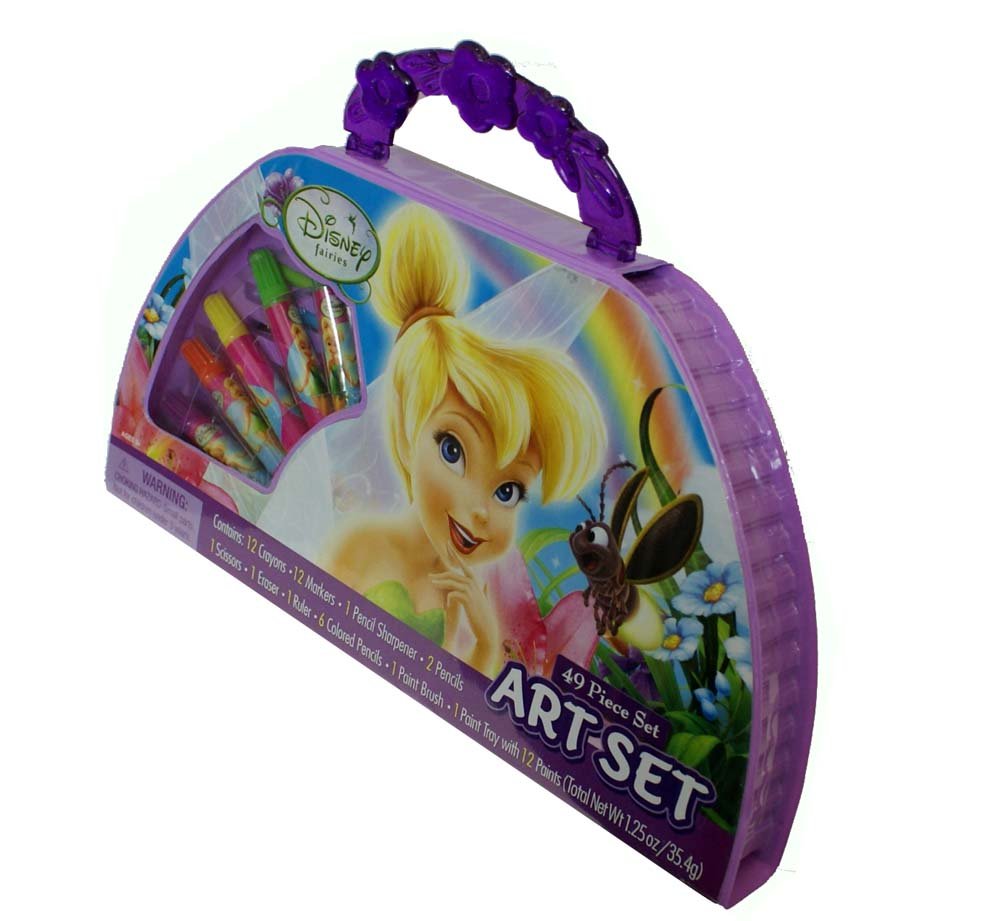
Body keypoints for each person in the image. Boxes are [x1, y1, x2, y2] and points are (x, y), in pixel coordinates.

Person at [326, 204, 606, 676]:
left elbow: (444, 685)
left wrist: (485, 639)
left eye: (508, 491)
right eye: (453, 451)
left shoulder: (458, 591)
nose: (480, 510)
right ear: (407, 433)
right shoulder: (362, 545)